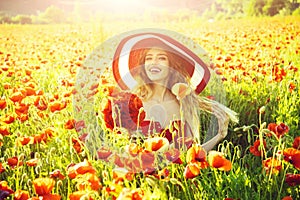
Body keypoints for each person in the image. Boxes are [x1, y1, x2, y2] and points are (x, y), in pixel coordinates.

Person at [112, 32, 238, 151]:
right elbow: (126, 150)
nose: (154, 62)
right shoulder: (134, 102)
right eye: (149, 58)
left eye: (161, 58)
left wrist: (219, 136)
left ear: (172, 65)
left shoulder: (184, 103)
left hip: (173, 173)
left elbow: (190, 154)